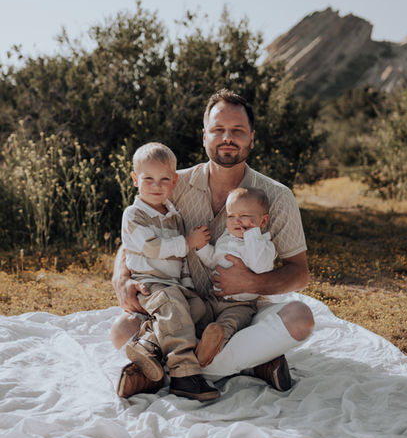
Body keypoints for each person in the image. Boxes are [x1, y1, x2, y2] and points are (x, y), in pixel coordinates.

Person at [112, 88, 314, 398]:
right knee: (122, 331)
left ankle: (165, 371)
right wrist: (122, 278)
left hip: (243, 311)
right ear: (205, 135)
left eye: (237, 131)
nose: (227, 137)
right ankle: (250, 362)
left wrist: (253, 282)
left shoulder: (277, 196)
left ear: (252, 138)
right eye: (218, 129)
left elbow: (299, 272)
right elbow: (133, 238)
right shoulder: (169, 182)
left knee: (301, 318)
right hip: (184, 307)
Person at [115, 141, 219, 401]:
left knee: (197, 308)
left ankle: (148, 345)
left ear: (174, 181)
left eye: (163, 179)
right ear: (135, 179)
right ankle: (184, 374)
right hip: (149, 284)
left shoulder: (174, 216)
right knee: (173, 308)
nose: (156, 186)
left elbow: (180, 262)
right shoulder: (134, 214)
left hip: (173, 285)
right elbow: (152, 248)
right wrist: (188, 243)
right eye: (148, 179)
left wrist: (188, 286)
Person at [195, 186, 276, 367]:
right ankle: (195, 344)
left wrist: (252, 234)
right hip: (213, 299)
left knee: (229, 324)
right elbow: (212, 261)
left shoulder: (264, 245)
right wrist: (202, 247)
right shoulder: (225, 238)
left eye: (245, 216)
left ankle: (211, 348)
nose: (236, 221)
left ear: (263, 221)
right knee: (198, 316)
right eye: (231, 216)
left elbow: (260, 267)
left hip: (241, 304)